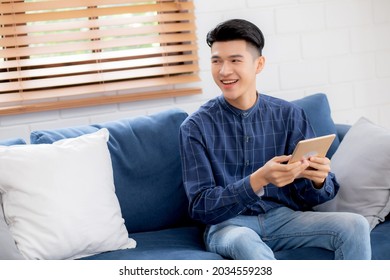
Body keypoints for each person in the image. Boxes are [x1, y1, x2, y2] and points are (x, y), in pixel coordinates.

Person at [179, 19, 371, 260]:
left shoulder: (289, 115)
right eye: (216, 61)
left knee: (355, 225)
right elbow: (200, 207)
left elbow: (310, 195)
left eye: (235, 60)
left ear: (259, 64)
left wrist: (319, 181)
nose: (224, 71)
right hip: (229, 225)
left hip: (284, 219)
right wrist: (258, 180)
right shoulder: (195, 127)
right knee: (243, 241)